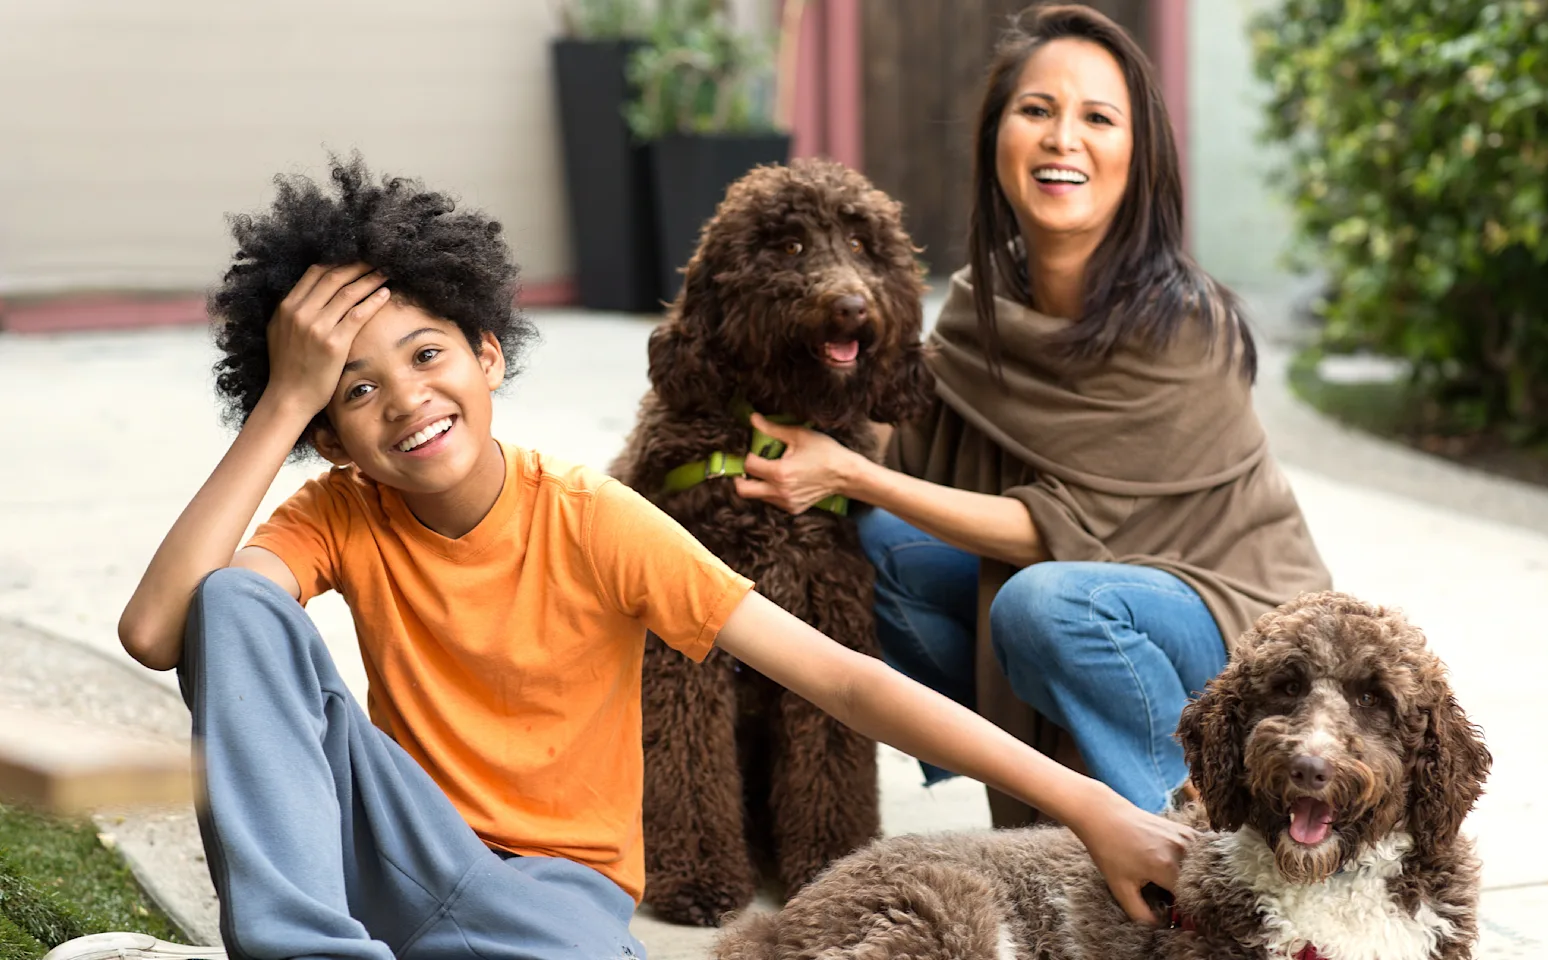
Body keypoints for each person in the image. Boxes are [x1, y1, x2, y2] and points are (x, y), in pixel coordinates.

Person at [44, 154, 1192, 960]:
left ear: (489, 352)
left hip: (549, 902)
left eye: (427, 353)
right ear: (323, 431)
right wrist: (279, 400)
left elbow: (844, 677)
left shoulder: (592, 516)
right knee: (237, 607)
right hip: (393, 858)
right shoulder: (340, 515)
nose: (404, 403)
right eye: (351, 390)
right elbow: (160, 630)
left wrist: (1090, 807)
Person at [735, 4, 1332, 825]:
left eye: (1098, 117)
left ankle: (1180, 844)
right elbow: (909, 451)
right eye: (1037, 110)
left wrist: (846, 469)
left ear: (1138, 153)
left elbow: (1068, 529)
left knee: (1044, 604)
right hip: (1093, 605)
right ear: (997, 139)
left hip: (1239, 629)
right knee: (868, 549)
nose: (1063, 138)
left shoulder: (1185, 327)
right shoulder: (984, 307)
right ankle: (1063, 792)